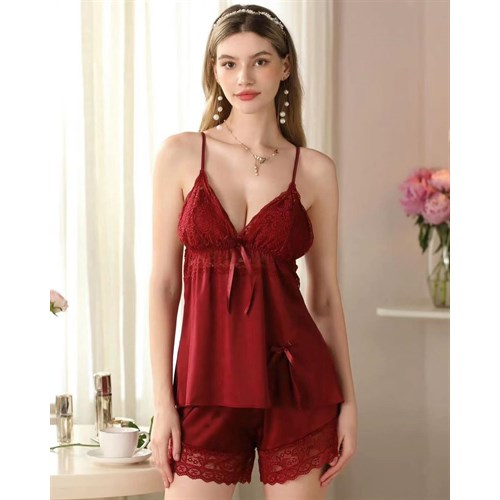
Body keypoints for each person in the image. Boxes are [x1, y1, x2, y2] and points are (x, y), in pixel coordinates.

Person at [148, 4, 358, 499]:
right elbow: (164, 285)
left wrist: (349, 404)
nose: (243, 77)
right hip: (204, 385)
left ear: (284, 68)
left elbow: (325, 297)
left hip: (296, 383)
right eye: (229, 63)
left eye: (260, 61)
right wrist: (163, 403)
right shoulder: (181, 154)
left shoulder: (315, 170)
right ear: (214, 70)